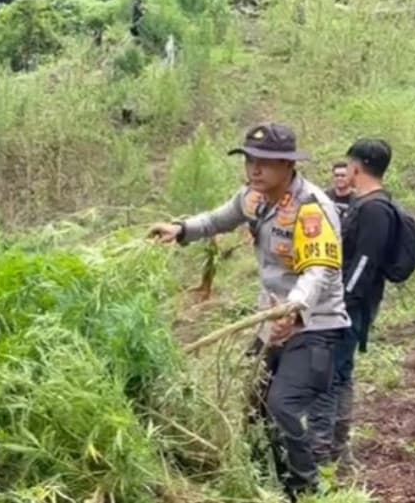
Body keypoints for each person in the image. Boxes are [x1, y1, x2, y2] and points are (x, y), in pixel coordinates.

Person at [150, 123, 349, 501]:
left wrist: (295, 307)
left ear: (289, 166)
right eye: (250, 161)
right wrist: (180, 229)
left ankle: (305, 490)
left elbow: (319, 270)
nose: (254, 169)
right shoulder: (254, 199)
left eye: (265, 162)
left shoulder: (311, 208)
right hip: (269, 322)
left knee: (282, 406)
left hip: (314, 324)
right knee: (254, 409)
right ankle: (259, 483)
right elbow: (216, 220)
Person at [312, 139, 396, 468]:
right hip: (353, 304)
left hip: (351, 307)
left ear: (357, 167)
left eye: (348, 166)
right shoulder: (368, 204)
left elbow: (364, 261)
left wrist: (343, 302)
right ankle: (337, 451)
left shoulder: (374, 209)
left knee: (330, 375)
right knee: (341, 374)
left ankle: (325, 454)